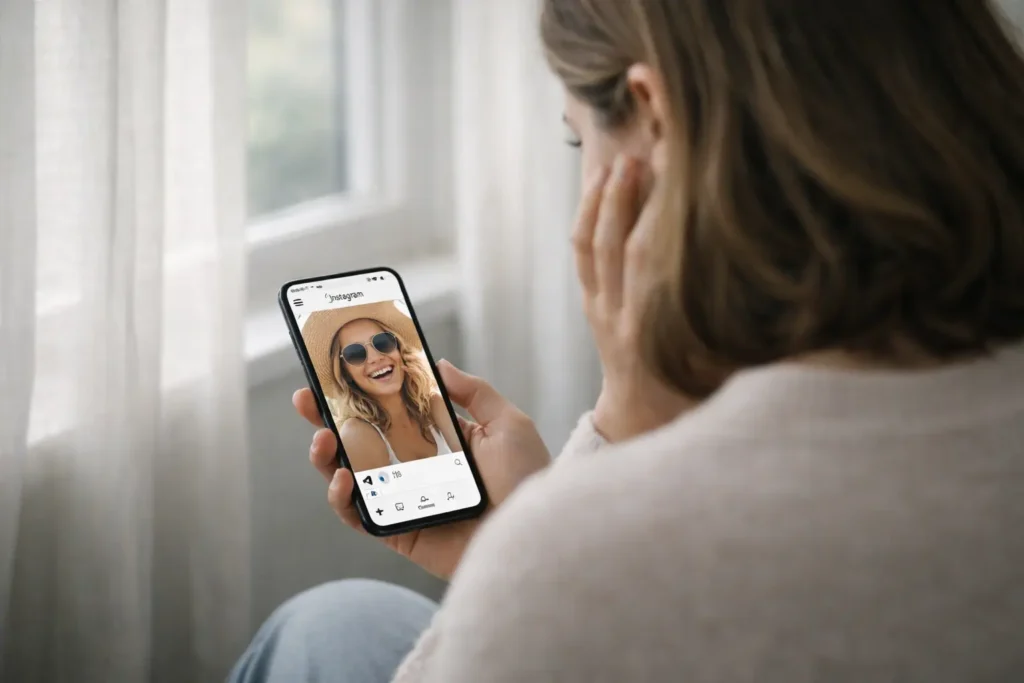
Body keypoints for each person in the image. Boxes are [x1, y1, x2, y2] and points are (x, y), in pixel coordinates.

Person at [230, 0, 1024, 681]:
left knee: (317, 631)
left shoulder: (592, 560)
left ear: (653, 118)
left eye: (579, 139)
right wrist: (546, 523)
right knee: (340, 617)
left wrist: (589, 488)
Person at [302, 300, 460, 471]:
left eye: (382, 342)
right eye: (355, 353)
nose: (376, 358)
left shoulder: (434, 404)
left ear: (399, 349)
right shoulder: (357, 433)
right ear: (346, 373)